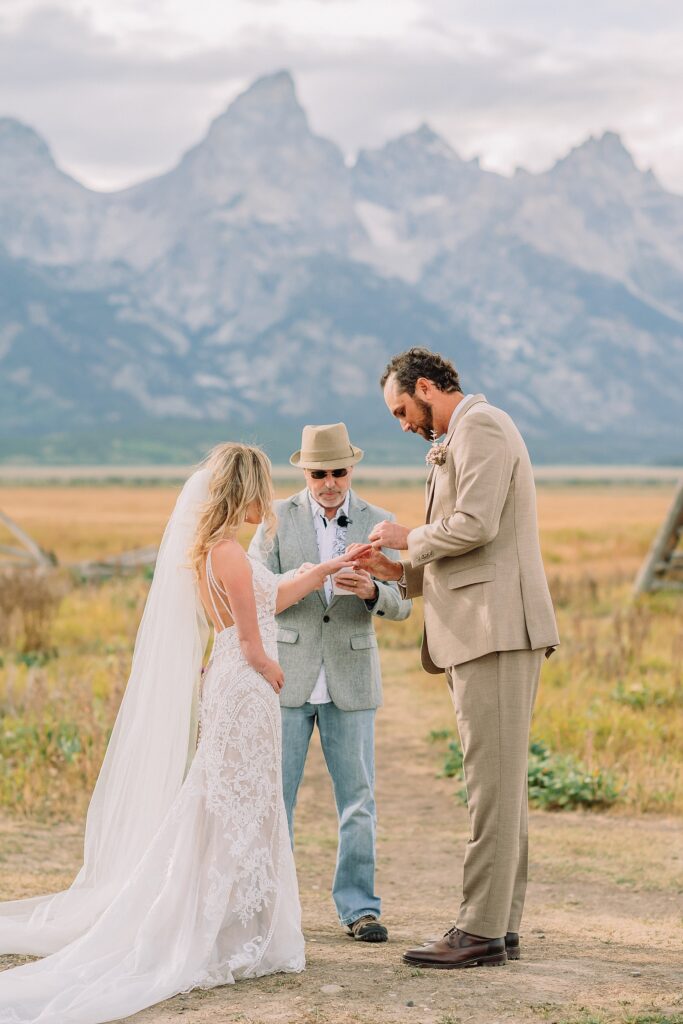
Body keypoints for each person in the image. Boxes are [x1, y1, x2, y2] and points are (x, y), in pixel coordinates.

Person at [0, 443, 355, 1024]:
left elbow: (269, 598)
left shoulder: (210, 551)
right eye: (261, 490)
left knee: (230, 800)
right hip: (245, 686)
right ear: (243, 490)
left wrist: (324, 570)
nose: (266, 502)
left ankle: (235, 920)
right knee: (238, 802)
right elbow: (249, 637)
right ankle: (225, 926)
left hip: (230, 683)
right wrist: (269, 668)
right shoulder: (230, 554)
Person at [350, 348, 559, 969]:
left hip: (496, 629)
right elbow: (466, 548)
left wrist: (406, 536)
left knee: (490, 786)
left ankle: (478, 930)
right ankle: (501, 926)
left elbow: (476, 525)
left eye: (401, 411)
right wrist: (397, 570)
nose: (403, 424)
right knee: (501, 785)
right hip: (483, 629)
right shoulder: (463, 434)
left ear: (425, 387)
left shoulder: (482, 427)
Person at [249, 422, 412, 943]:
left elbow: (404, 602)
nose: (329, 483)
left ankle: (360, 909)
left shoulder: (379, 521)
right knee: (276, 800)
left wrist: (371, 592)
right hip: (287, 678)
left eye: (338, 472)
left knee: (359, 800)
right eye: (319, 473)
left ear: (351, 468)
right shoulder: (275, 520)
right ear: (305, 472)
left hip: (352, 677)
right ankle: (273, 910)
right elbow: (255, 592)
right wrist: (305, 579)